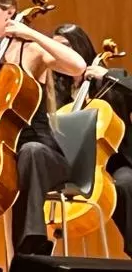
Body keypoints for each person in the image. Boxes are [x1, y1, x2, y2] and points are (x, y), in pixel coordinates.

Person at [0, 0, 84, 255]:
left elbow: (78, 66)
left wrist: (30, 32)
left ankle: (30, 245)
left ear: (10, 13)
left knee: (30, 153)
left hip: (42, 153)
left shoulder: (31, 52)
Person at [53, 23, 132, 256]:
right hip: (69, 164)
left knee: (126, 185)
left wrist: (105, 75)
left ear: (80, 47)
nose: (60, 55)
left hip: (113, 163)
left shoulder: (113, 79)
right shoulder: (54, 87)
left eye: (66, 47)